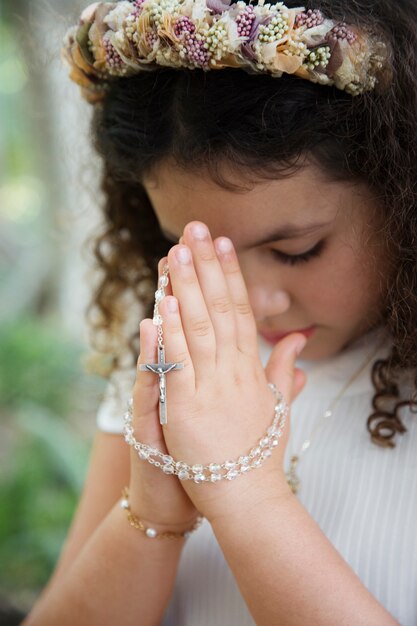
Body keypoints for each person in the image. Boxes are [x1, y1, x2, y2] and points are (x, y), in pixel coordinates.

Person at [24, 0, 417, 624]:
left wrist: (244, 495)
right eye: (196, 254)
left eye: (296, 251)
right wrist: (152, 516)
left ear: (402, 195)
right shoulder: (172, 359)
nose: (254, 304)